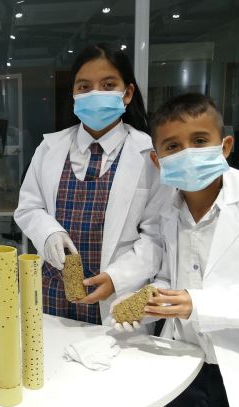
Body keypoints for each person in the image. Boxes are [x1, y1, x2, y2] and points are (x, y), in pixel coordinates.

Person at [14, 43, 171, 324]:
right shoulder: (49, 148)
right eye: (84, 87)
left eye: (108, 84)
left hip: (115, 295)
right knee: (49, 362)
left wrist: (117, 278)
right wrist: (49, 233)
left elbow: (157, 237)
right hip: (52, 290)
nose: (95, 93)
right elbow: (28, 207)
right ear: (74, 95)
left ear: (128, 94)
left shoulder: (149, 153)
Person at [137, 93, 239, 407]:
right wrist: (151, 297)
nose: (187, 153)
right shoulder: (169, 213)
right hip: (183, 361)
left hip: (235, 366)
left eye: (200, 141)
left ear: (224, 147)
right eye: (172, 146)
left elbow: (194, 300)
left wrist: (196, 304)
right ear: (158, 161)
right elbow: (168, 276)